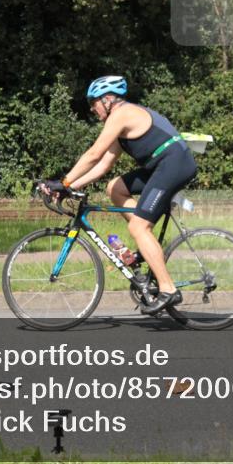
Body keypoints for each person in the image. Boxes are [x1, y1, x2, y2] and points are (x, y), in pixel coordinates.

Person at [41, 75, 198, 315]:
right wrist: (70, 187)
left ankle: (168, 290)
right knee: (115, 187)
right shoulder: (121, 124)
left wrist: (64, 182)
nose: (92, 109)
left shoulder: (121, 115)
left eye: (93, 103)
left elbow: (93, 154)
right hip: (162, 165)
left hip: (174, 163)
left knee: (138, 228)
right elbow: (103, 166)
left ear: (107, 100)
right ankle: (146, 239)